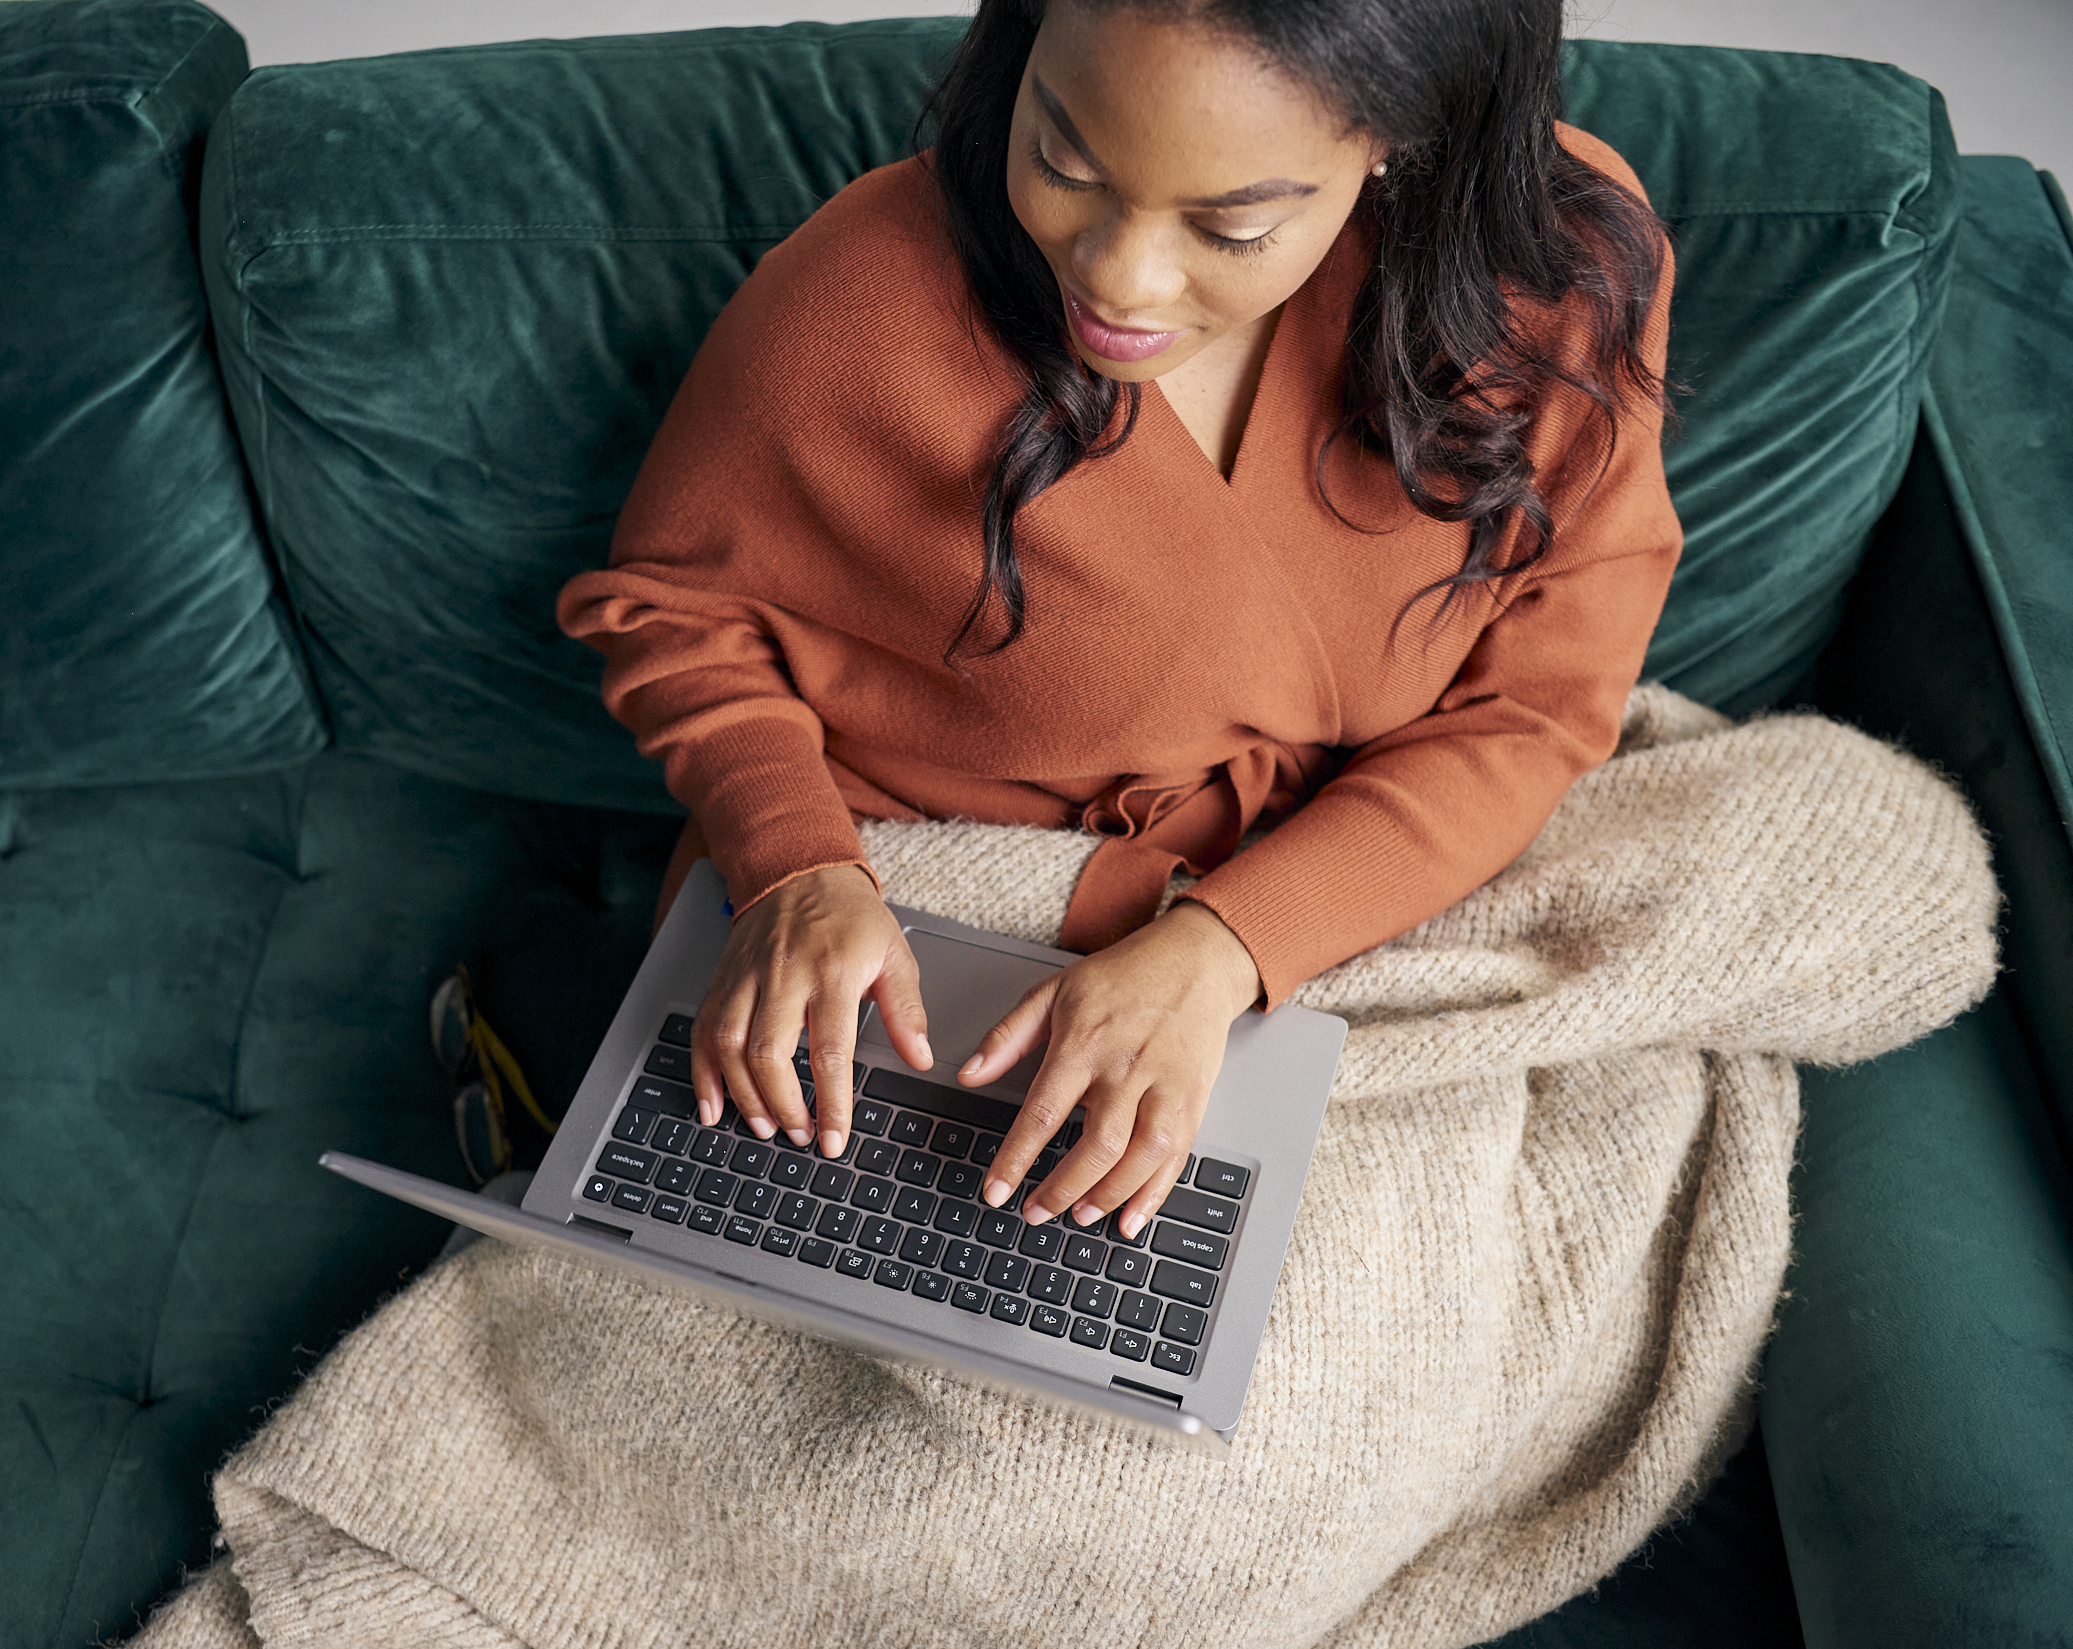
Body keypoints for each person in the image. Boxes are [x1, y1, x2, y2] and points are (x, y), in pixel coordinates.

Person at [557, 0, 1677, 1243]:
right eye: (1062, 161)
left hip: (1337, 909)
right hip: (921, 915)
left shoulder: (1556, 278)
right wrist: (794, 868)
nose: (1115, 278)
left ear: (1397, 146)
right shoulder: (857, 296)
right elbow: (670, 609)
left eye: (1231, 224)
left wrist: (1226, 951)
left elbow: (1542, 702)